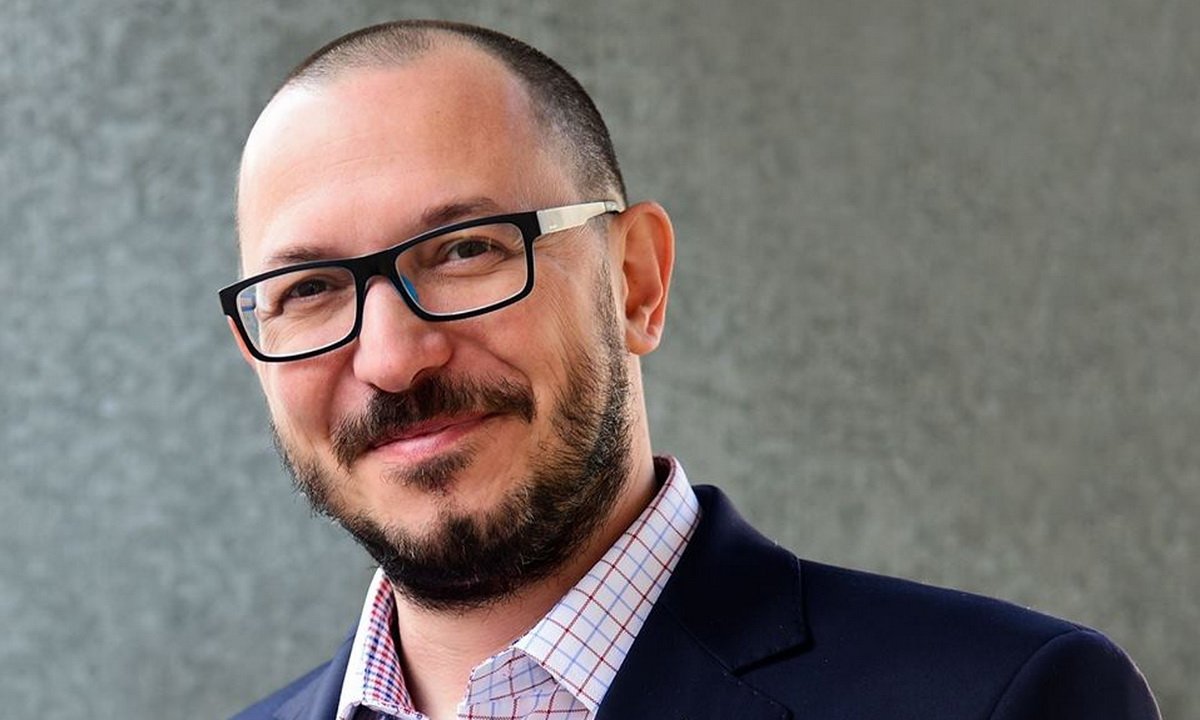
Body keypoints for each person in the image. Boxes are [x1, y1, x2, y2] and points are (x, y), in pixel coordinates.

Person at [222, 19, 1159, 720]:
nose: (392, 359)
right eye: (309, 290)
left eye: (467, 250)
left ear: (637, 282)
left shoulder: (1006, 698)